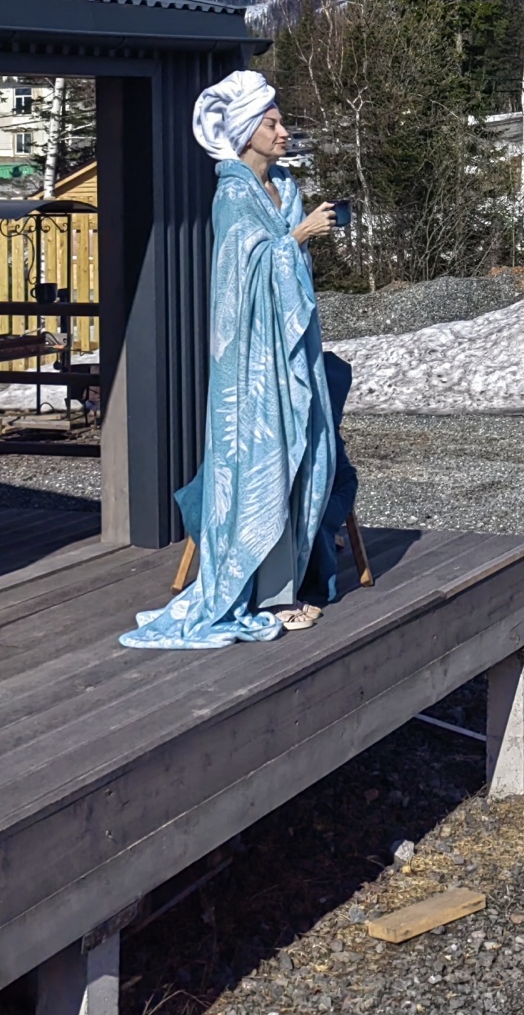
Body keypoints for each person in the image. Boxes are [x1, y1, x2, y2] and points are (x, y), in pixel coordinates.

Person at [120, 70, 358, 651]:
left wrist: (298, 237)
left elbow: (285, 270)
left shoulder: (284, 186)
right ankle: (264, 592)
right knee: (262, 462)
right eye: (272, 123)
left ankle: (291, 579)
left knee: (306, 453)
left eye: (280, 121)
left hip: (291, 344)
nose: (283, 131)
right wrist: (296, 238)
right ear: (247, 130)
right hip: (251, 361)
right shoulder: (231, 195)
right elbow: (237, 279)